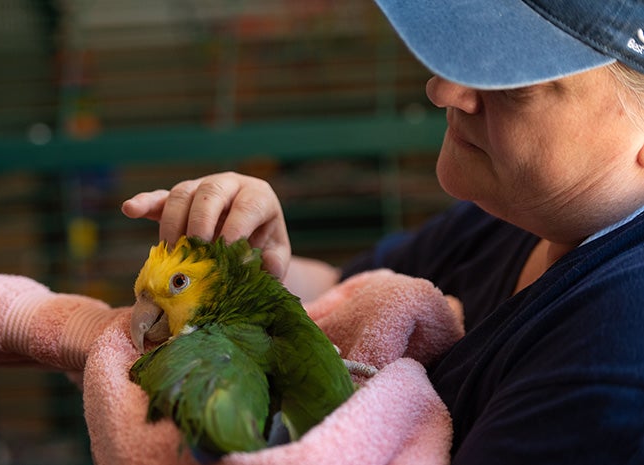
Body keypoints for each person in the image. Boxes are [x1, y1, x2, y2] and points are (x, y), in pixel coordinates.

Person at [122, 0, 644, 463]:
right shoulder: (518, 218)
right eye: (472, 50)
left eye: (516, 81)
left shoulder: (614, 367)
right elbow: (346, 292)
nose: (441, 89)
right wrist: (263, 265)